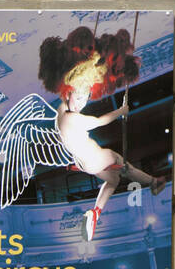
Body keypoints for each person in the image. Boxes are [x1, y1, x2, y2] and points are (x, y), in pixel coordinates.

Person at [39, 28, 166, 242]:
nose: (81, 103)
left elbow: (70, 98)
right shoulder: (73, 119)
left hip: (85, 163)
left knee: (114, 180)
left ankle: (95, 213)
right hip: (94, 158)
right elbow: (100, 121)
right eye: (78, 98)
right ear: (68, 93)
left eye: (85, 99)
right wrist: (120, 112)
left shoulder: (61, 112)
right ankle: (153, 182)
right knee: (121, 163)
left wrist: (81, 72)